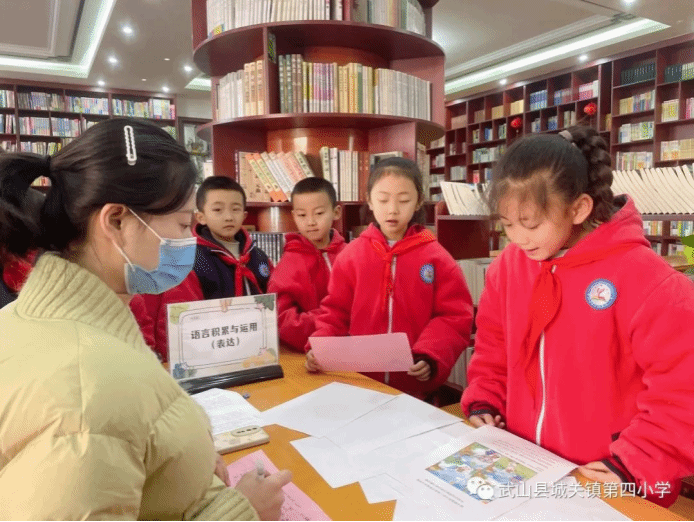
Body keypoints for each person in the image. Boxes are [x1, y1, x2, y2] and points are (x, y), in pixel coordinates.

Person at [0, 118, 290, 520]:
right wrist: (243, 511)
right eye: (183, 224)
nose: (190, 241)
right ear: (116, 221)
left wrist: (184, 459)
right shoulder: (88, 389)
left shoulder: (44, 318)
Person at [461, 126, 694, 507]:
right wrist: (486, 398)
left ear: (579, 209)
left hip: (610, 479)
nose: (518, 238)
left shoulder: (650, 282)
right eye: (507, 224)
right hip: (527, 468)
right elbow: (494, 346)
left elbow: (683, 390)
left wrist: (635, 461)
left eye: (531, 224)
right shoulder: (509, 268)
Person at [306, 157, 473, 398]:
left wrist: (431, 354)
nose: (392, 209)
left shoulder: (437, 258)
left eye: (404, 200)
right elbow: (334, 312)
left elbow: (454, 316)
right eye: (383, 200)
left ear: (418, 201)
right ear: (370, 200)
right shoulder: (351, 256)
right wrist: (320, 347)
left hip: (415, 389)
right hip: (358, 383)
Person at [130, 176, 273, 362]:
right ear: (200, 217)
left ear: (244, 215)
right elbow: (179, 316)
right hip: (212, 353)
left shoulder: (259, 257)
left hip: (257, 348)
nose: (228, 217)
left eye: (235, 209)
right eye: (218, 210)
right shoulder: (190, 259)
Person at [268, 177, 346, 352]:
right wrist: (330, 321)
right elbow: (281, 319)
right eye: (302, 215)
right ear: (294, 216)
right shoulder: (289, 263)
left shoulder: (350, 255)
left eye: (319, 213)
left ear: (336, 212)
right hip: (308, 352)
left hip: (354, 347)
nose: (310, 222)